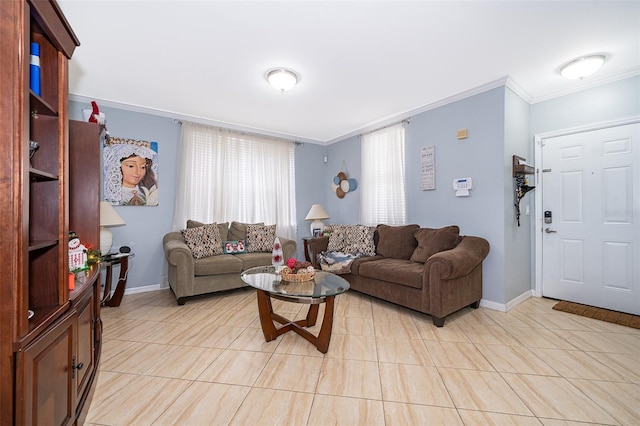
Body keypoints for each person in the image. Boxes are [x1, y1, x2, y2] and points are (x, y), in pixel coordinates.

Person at [103, 138, 159, 206]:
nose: (138, 172)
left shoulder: (148, 191)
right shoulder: (111, 195)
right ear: (117, 166)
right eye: (131, 166)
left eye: (142, 167)